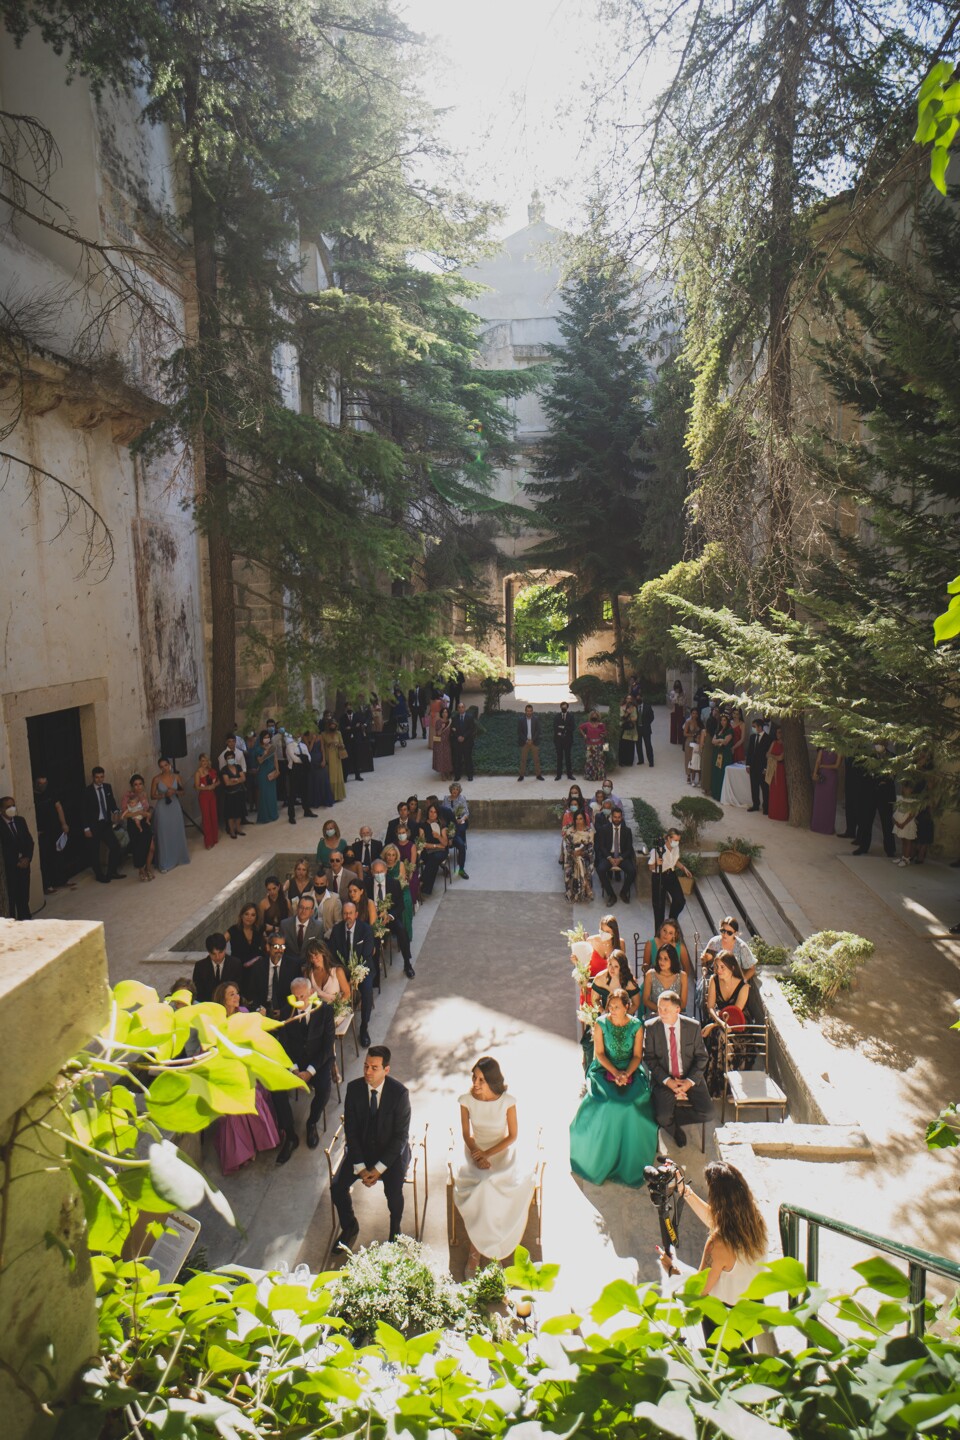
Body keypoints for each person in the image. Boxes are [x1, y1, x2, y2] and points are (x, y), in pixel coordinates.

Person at [660, 1161, 769, 1344]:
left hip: (721, 1315)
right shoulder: (755, 1221)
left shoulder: (718, 1244)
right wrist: (685, 1191)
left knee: (719, 1365)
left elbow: (699, 1290)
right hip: (749, 1310)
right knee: (744, 1358)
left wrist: (673, 1271)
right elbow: (717, 1220)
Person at [569, 990, 659, 1186]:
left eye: (617, 1007)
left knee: (630, 1104)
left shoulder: (636, 1025)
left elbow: (637, 1056)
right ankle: (600, 1160)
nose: (612, 1010)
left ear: (627, 1007)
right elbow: (599, 1054)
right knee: (609, 1103)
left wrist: (626, 1073)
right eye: (610, 1006)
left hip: (631, 1071)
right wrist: (615, 1073)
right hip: (603, 1070)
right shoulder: (601, 1023)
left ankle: (630, 1161)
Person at [454, 1056, 534, 1275]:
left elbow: (512, 1136)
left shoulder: (508, 1101)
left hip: (500, 1153)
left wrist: (488, 1154)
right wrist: (477, 1154)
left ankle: (492, 1250)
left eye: (481, 1079)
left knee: (496, 1185)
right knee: (483, 1184)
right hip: (475, 1151)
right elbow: (465, 1134)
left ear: (492, 1080)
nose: (476, 1084)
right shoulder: (466, 1100)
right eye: (474, 1078)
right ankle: (476, 1250)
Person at [331, 1046, 411, 1247]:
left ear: (386, 1070)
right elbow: (351, 1131)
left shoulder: (400, 1094)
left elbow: (400, 1137)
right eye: (366, 1066)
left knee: (394, 1193)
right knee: (337, 1187)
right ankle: (349, 1226)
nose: (367, 1072)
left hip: (390, 1154)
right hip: (362, 1151)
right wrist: (360, 1166)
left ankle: (395, 1231)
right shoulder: (354, 1089)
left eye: (374, 1068)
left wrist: (378, 1169)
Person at [208, 982, 281, 1172]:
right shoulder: (215, 1020)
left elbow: (254, 1038)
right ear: (222, 998)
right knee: (233, 1109)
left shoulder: (243, 1012)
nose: (236, 997)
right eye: (231, 994)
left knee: (253, 1096)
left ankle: (258, 1141)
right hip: (225, 1069)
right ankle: (243, 1151)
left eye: (237, 993)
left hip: (246, 1065)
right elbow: (207, 1048)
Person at [272, 975, 337, 1161]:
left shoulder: (325, 1011)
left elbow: (327, 1046)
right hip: (294, 1063)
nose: (300, 1000)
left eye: (303, 996)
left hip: (318, 1062)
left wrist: (309, 1071)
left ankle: (312, 1123)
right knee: (276, 1090)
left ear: (311, 993)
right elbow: (283, 1045)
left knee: (324, 1088)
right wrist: (294, 1070)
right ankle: (290, 1134)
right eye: (296, 997)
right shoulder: (287, 1013)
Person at [644, 990, 714, 1148]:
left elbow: (702, 1057)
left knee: (708, 1113)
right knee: (662, 1116)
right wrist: (668, 1082)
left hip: (689, 1076)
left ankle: (672, 1119)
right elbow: (649, 1058)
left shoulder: (693, 1026)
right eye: (659, 1008)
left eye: (666, 1009)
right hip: (664, 1079)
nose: (661, 1012)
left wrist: (689, 1083)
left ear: (677, 1010)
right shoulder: (651, 1027)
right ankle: (674, 1130)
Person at [330, 898, 376, 1047]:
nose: (347, 916)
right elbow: (333, 954)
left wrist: (356, 975)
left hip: (362, 969)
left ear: (356, 914)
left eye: (350, 913)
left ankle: (364, 1027)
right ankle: (337, 1022)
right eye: (345, 914)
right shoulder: (337, 930)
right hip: (343, 970)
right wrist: (343, 974)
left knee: (367, 990)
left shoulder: (366, 930)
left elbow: (367, 954)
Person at [367, 858, 416, 977]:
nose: (379, 874)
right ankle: (373, 969)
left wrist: (389, 916)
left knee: (401, 930)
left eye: (381, 871)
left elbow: (400, 905)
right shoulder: (367, 884)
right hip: (373, 919)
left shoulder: (393, 883)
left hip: (389, 918)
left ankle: (407, 964)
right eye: (376, 872)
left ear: (386, 871)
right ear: (372, 872)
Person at [83, 766, 125, 883]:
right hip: (93, 825)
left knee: (115, 846)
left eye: (102, 777)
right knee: (94, 851)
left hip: (105, 823)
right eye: (97, 777)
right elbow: (84, 811)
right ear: (93, 777)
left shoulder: (107, 787)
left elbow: (111, 802)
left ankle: (111, 872)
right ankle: (99, 875)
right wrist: (86, 828)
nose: (99, 779)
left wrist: (116, 811)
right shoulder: (87, 791)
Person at [32, 775, 73, 894]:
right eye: (40, 783)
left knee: (59, 855)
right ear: (35, 783)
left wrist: (64, 824)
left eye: (45, 783)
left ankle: (62, 879)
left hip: (55, 830)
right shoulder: (32, 796)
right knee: (45, 858)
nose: (43, 786)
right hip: (42, 832)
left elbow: (58, 807)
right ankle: (48, 885)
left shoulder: (50, 793)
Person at [247, 933, 302, 1018]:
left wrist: (284, 1012)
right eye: (276, 946)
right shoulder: (258, 966)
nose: (280, 950)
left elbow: (297, 994)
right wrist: (259, 1009)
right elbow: (253, 993)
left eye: (282, 947)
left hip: (286, 1010)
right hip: (263, 1009)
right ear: (268, 947)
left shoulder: (293, 966)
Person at [648, 827, 691, 933]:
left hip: (671, 875)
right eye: (675, 840)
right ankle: (659, 934)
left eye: (678, 840)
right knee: (659, 908)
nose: (677, 842)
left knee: (680, 901)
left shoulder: (676, 848)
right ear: (668, 838)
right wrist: (656, 863)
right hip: (658, 878)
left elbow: (674, 861)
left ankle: (671, 920)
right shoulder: (657, 850)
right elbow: (650, 867)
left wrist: (684, 868)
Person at [150, 758, 190, 870]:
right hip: (162, 808)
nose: (164, 768)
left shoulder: (176, 777)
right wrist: (163, 795)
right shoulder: (156, 779)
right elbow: (152, 796)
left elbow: (183, 792)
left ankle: (179, 857)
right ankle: (165, 862)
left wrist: (174, 792)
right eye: (161, 766)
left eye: (166, 765)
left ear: (170, 765)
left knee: (176, 830)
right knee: (163, 833)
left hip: (175, 806)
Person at [594, 804, 638, 905]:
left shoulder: (627, 831)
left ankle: (623, 892)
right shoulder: (605, 829)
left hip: (621, 856)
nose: (617, 819)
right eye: (615, 817)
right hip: (609, 855)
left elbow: (629, 848)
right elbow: (602, 846)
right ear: (611, 817)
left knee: (632, 871)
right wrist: (609, 858)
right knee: (600, 870)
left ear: (621, 817)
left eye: (619, 817)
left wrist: (621, 858)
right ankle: (611, 895)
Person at [1, 796, 34, 919]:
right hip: (10, 869)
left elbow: (29, 841)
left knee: (24, 896)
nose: (12, 809)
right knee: (12, 898)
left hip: (24, 866)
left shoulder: (20, 821)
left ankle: (25, 918)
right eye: (8, 807)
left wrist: (27, 858)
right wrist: (16, 862)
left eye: (13, 805)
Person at [120, 774, 155, 881]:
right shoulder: (127, 796)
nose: (138, 786)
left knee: (151, 847)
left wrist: (148, 813)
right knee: (138, 848)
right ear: (132, 786)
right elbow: (124, 815)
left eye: (140, 784)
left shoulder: (144, 794)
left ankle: (148, 868)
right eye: (135, 785)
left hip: (145, 822)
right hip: (133, 825)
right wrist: (139, 813)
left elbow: (147, 808)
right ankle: (141, 870)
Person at [193, 933, 243, 1004]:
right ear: (208, 952)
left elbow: (239, 989)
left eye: (220, 953)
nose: (217, 957)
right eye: (213, 954)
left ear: (225, 949)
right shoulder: (200, 967)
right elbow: (198, 993)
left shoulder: (235, 964)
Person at [642, 943, 688, 1016]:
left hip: (676, 1015)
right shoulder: (650, 974)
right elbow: (646, 1000)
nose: (661, 962)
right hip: (656, 1015)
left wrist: (671, 1012)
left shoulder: (682, 976)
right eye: (660, 958)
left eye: (666, 959)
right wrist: (662, 1011)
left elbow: (683, 1003)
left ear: (673, 960)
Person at [280, 894, 325, 962]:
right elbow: (282, 946)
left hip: (308, 964)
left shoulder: (318, 927)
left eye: (307, 908)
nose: (303, 911)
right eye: (301, 907)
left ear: (312, 912)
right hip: (288, 963)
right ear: (297, 908)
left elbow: (318, 950)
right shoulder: (284, 924)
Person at [562, 811, 595, 902]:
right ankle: (587, 886)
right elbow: (567, 846)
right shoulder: (570, 831)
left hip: (586, 856)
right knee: (578, 859)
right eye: (576, 819)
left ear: (584, 819)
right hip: (571, 856)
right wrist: (573, 852)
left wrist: (582, 853)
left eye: (580, 819)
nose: (578, 821)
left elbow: (591, 848)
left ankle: (582, 888)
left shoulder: (589, 832)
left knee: (580, 859)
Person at [419, 803, 449, 896]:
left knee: (434, 859)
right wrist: (437, 846)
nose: (432, 814)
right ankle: (425, 890)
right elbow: (423, 844)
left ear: (438, 814)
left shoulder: (442, 825)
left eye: (435, 812)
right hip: (428, 852)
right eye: (431, 812)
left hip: (441, 852)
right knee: (433, 861)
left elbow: (445, 844)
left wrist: (438, 836)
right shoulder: (422, 826)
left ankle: (421, 883)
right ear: (428, 813)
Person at [218, 746, 247, 842]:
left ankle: (238, 829)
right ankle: (232, 831)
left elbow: (243, 778)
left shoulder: (238, 767)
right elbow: (227, 782)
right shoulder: (224, 770)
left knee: (239, 812)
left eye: (232, 757)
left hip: (239, 792)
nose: (231, 759)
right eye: (228, 758)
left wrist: (235, 780)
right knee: (231, 814)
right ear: (226, 760)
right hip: (230, 794)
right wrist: (237, 780)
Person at [810, 746, 840, 835]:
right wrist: (815, 773)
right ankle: (817, 826)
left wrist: (823, 766)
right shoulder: (822, 750)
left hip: (831, 777)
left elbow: (837, 765)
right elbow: (818, 762)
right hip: (822, 776)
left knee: (829, 801)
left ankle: (827, 827)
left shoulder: (839, 751)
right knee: (819, 801)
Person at [253, 730, 280, 823]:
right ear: (261, 738)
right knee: (264, 795)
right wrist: (265, 754)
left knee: (272, 794)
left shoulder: (272, 747)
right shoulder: (258, 749)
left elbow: (275, 759)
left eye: (268, 737)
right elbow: (260, 761)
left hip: (272, 772)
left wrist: (277, 770)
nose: (266, 739)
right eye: (265, 737)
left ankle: (273, 815)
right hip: (263, 773)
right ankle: (264, 817)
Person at [193, 753, 220, 847]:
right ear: (200, 761)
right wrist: (207, 788)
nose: (205, 762)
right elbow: (196, 786)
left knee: (214, 816)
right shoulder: (198, 772)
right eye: (203, 760)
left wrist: (214, 785)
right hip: (204, 796)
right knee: (206, 818)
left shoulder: (211, 770)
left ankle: (215, 838)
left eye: (206, 760)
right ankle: (208, 842)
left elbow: (218, 781)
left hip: (212, 795)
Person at [228, 902, 265, 967]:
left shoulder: (259, 928)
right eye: (246, 914)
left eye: (253, 915)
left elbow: (272, 928)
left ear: (256, 917)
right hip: (238, 968)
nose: (249, 917)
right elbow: (220, 942)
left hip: (256, 967)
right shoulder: (233, 930)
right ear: (242, 915)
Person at [746, 718, 770, 813]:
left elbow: (767, 755)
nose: (753, 728)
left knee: (764, 787)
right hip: (753, 766)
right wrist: (748, 765)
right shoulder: (752, 737)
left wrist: (766, 768)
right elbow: (749, 751)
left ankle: (766, 807)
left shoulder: (768, 738)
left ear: (760, 727)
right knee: (754, 786)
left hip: (762, 766)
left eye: (754, 726)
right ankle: (755, 804)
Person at [765, 724, 788, 822]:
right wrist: (774, 756)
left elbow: (781, 758)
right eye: (777, 732)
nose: (778, 734)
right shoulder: (774, 742)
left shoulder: (786, 744)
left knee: (781, 791)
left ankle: (781, 814)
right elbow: (767, 754)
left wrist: (772, 756)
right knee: (773, 790)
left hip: (781, 769)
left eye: (780, 732)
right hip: (773, 769)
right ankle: (773, 812)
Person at [446, 782, 470, 878]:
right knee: (453, 834)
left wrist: (462, 819)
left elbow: (467, 813)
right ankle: (455, 842)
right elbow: (443, 812)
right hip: (450, 823)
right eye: (453, 789)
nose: (455, 791)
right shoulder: (446, 799)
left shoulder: (462, 798)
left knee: (458, 832)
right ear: (450, 790)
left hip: (461, 821)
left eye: (457, 789)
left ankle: (461, 868)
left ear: (459, 791)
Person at [517, 703, 544, 781]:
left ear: (532, 711)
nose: (529, 712)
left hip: (534, 742)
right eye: (527, 711)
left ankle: (538, 775)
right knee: (523, 760)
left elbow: (538, 731)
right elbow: (519, 732)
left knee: (536, 760)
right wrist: (526, 740)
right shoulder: (521, 719)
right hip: (524, 743)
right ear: (525, 711)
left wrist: (532, 740)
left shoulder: (536, 719)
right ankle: (521, 775)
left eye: (530, 711)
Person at [711, 712, 734, 801]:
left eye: (724, 720)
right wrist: (720, 740)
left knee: (722, 773)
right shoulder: (718, 730)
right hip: (717, 753)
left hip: (725, 754)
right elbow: (713, 741)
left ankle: (721, 794)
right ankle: (715, 793)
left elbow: (725, 742)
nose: (722, 722)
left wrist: (719, 740)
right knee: (716, 772)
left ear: (727, 721)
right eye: (721, 720)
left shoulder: (730, 730)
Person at [451, 702, 477, 782]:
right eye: (459, 707)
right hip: (457, 742)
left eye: (462, 707)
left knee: (468, 759)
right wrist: (458, 736)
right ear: (458, 709)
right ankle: (457, 776)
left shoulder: (470, 717)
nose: (461, 708)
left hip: (467, 742)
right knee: (457, 759)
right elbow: (453, 728)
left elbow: (471, 729)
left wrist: (464, 737)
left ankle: (470, 775)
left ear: (464, 708)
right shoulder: (455, 718)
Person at [579, 711, 607, 782]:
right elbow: (580, 728)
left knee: (600, 761)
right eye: (593, 716)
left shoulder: (601, 725)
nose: (594, 717)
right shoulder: (587, 724)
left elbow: (605, 733)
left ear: (598, 717)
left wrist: (602, 735)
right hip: (590, 744)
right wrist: (584, 735)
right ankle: (590, 776)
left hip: (600, 744)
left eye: (596, 716)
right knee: (590, 761)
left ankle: (600, 776)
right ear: (591, 717)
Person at [553, 700, 576, 780]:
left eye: (565, 707)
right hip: (558, 740)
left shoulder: (571, 716)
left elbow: (572, 728)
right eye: (562, 707)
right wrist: (565, 728)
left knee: (568, 758)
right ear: (560, 707)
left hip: (568, 740)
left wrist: (563, 727)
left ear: (567, 708)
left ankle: (569, 775)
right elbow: (555, 727)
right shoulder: (557, 716)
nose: (564, 708)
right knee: (559, 758)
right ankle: (558, 775)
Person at [432, 704, 454, 780]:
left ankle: (448, 772)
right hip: (440, 742)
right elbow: (438, 733)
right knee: (441, 757)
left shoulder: (450, 721)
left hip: (447, 742)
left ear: (448, 713)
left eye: (446, 712)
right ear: (441, 713)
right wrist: (442, 727)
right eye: (443, 712)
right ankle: (442, 773)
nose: (445, 714)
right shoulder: (438, 722)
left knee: (447, 757)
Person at [618, 697, 638, 767]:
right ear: (625, 699)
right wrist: (627, 713)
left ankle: (629, 762)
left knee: (630, 745)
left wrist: (627, 717)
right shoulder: (621, 707)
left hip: (630, 728)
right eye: (627, 698)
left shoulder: (634, 708)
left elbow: (635, 718)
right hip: (623, 728)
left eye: (630, 698)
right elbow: (621, 717)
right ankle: (621, 761)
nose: (629, 699)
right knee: (622, 745)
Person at [637, 694, 655, 767]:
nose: (638, 698)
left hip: (646, 729)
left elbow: (652, 717)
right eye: (637, 697)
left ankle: (651, 761)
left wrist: (647, 723)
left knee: (648, 745)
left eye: (639, 697)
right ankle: (641, 760)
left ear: (642, 698)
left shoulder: (648, 707)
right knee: (638, 745)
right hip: (637, 729)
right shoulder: (634, 707)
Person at [670, 680, 685, 745]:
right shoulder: (672, 692)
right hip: (674, 709)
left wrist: (680, 701)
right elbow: (672, 701)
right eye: (676, 684)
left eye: (678, 684)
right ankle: (673, 740)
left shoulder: (683, 692)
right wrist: (676, 696)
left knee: (681, 724)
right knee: (673, 724)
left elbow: (684, 702)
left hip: (681, 708)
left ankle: (680, 740)